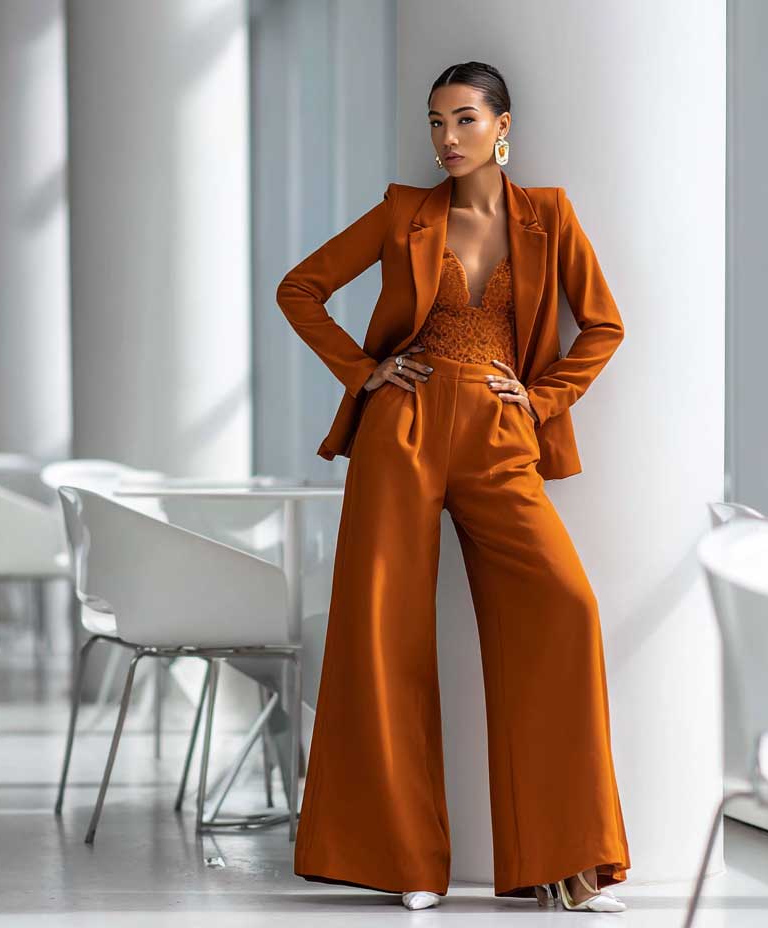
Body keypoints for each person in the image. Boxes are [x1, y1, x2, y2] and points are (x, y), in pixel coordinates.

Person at [275, 61, 630, 913]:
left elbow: (604, 324)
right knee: (383, 634)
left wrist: (541, 400)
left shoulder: (549, 217)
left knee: (564, 607)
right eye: (436, 122)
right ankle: (402, 863)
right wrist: (365, 374)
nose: (446, 139)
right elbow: (302, 289)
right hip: (403, 427)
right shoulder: (406, 214)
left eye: (465, 120)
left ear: (503, 127)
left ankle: (566, 862)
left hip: (500, 436)